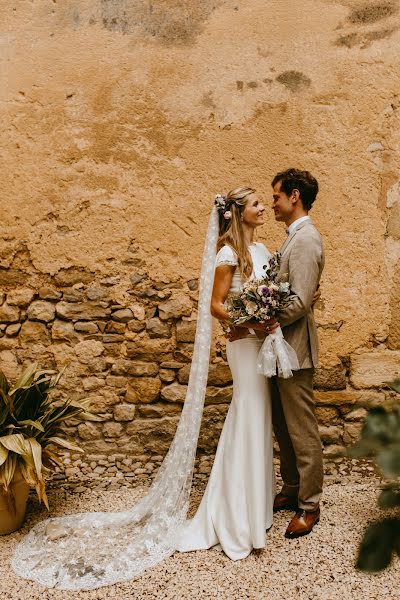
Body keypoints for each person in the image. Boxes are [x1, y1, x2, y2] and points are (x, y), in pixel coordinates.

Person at [177, 186, 277, 559]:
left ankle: (256, 507)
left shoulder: (262, 250)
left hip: (261, 341)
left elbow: (272, 294)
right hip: (243, 344)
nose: (263, 207)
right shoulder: (227, 253)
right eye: (255, 204)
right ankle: (234, 514)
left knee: (257, 416)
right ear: (238, 212)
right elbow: (216, 305)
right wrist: (247, 322)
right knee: (247, 412)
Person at [270, 168, 325, 539]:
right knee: (282, 425)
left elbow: (301, 301)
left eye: (275, 197)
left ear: (294, 196)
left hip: (295, 348)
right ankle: (291, 489)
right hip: (278, 347)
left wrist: (259, 318)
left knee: (302, 430)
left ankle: (309, 505)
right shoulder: (293, 238)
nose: (272, 203)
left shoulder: (306, 239)